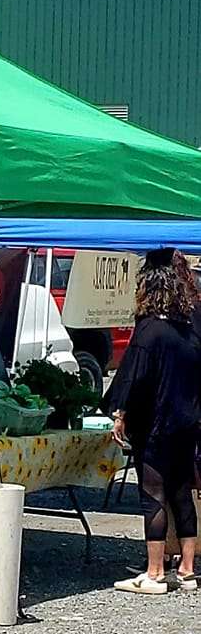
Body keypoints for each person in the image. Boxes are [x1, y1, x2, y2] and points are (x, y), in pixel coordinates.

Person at [106, 251, 201, 596]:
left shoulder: (150, 330)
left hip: (157, 422)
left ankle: (155, 572)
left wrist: (120, 413)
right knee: (181, 492)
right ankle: (188, 570)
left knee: (153, 493)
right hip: (188, 420)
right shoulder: (190, 328)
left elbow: (134, 378)